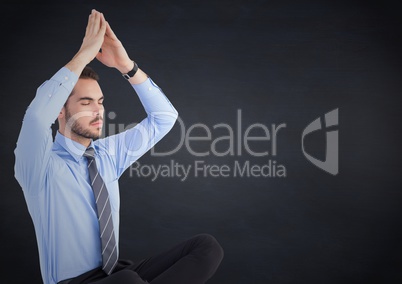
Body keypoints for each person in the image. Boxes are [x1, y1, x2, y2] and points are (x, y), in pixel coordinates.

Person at [14, 9, 223, 284]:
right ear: (60, 112)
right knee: (129, 282)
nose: (98, 111)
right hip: (75, 282)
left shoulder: (107, 154)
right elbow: (37, 118)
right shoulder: (39, 166)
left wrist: (127, 67)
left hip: (115, 273)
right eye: (86, 102)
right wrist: (84, 55)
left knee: (206, 248)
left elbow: (164, 119)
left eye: (100, 102)